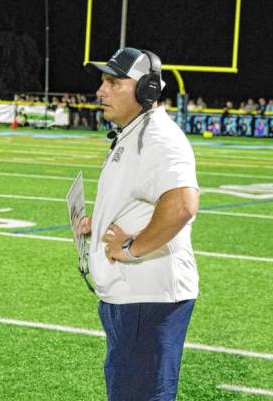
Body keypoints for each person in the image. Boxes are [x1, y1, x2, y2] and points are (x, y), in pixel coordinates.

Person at [79, 47, 199, 401]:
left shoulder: (158, 137)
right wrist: (98, 223)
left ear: (146, 90)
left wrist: (131, 248)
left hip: (148, 297)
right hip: (132, 297)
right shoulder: (133, 132)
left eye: (113, 82)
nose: (101, 91)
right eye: (102, 81)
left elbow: (182, 204)